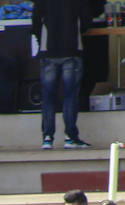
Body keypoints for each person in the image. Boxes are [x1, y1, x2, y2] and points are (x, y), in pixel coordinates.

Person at [32, 0, 89, 150]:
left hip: (48, 51)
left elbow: (35, 21)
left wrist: (41, 42)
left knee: (48, 97)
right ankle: (70, 137)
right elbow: (86, 20)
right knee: (70, 97)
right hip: (71, 50)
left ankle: (47, 137)